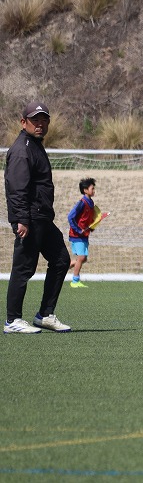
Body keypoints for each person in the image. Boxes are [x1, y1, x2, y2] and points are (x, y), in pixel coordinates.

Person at [4, 102, 72, 333]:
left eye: (44, 120)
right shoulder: (22, 149)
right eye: (35, 120)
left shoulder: (34, 145)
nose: (40, 124)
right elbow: (16, 189)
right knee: (23, 269)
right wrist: (21, 220)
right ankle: (13, 321)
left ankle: (45, 315)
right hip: (30, 219)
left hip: (42, 218)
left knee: (61, 260)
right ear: (24, 122)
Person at [66, 177, 98, 288]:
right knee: (81, 257)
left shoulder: (91, 203)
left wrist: (91, 227)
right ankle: (75, 281)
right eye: (92, 188)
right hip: (77, 235)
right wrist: (78, 230)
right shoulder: (82, 203)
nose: (94, 191)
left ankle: (60, 270)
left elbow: (87, 219)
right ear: (85, 190)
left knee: (83, 258)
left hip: (84, 235)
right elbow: (70, 217)